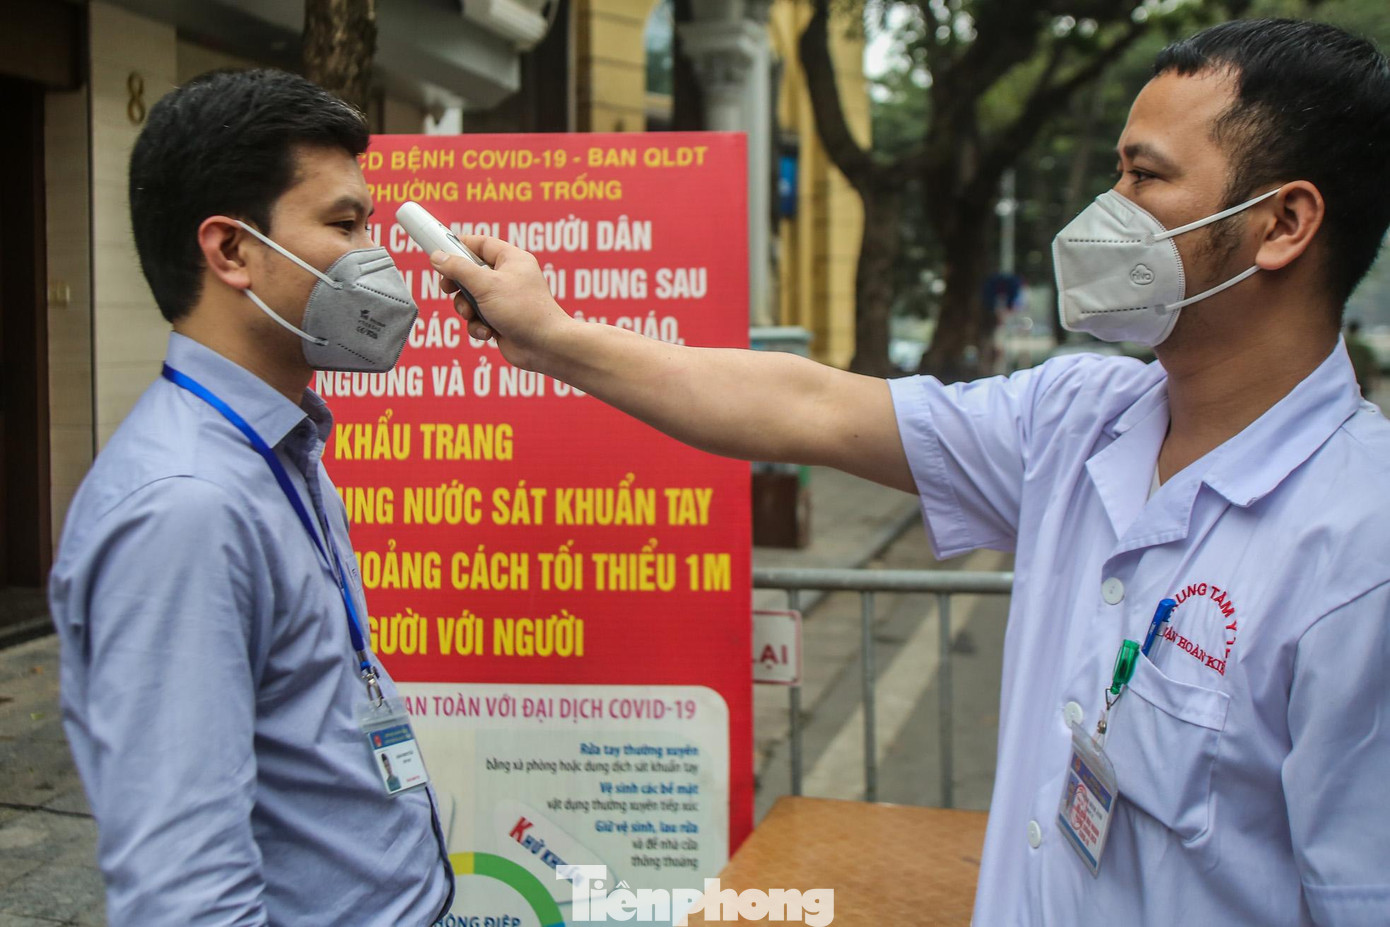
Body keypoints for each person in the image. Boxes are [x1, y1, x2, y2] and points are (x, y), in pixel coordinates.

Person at [431, 19, 1390, 926]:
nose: (1111, 211)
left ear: (1283, 224)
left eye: (1146, 177)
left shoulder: (1360, 549)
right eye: (1117, 172)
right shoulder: (1077, 419)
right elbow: (809, 407)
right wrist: (550, 336)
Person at [47, 70, 452, 924]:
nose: (374, 261)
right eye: (344, 225)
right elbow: (184, 892)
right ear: (231, 251)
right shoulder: (185, 508)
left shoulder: (282, 446)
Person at [1346, 319, 1381, 396]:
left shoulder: (1342, 344)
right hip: (1360, 379)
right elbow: (1371, 364)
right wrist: (1376, 379)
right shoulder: (1363, 346)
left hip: (1345, 377)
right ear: (1357, 330)